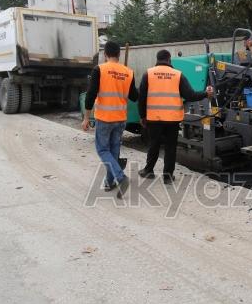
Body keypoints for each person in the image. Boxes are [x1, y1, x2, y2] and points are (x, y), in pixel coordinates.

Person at [138, 50, 213, 184]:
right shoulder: (178, 75)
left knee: (154, 144)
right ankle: (167, 176)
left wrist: (142, 116)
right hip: (172, 119)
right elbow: (190, 95)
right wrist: (205, 94)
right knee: (170, 147)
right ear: (169, 59)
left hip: (154, 118)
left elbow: (141, 98)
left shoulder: (148, 74)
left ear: (157, 59)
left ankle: (148, 171)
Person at [82, 41, 138, 197]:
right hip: (120, 119)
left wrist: (86, 118)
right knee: (114, 151)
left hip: (105, 118)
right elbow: (134, 96)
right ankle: (110, 181)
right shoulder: (128, 72)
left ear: (105, 54)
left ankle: (120, 178)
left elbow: (91, 94)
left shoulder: (100, 69)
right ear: (119, 55)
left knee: (102, 150)